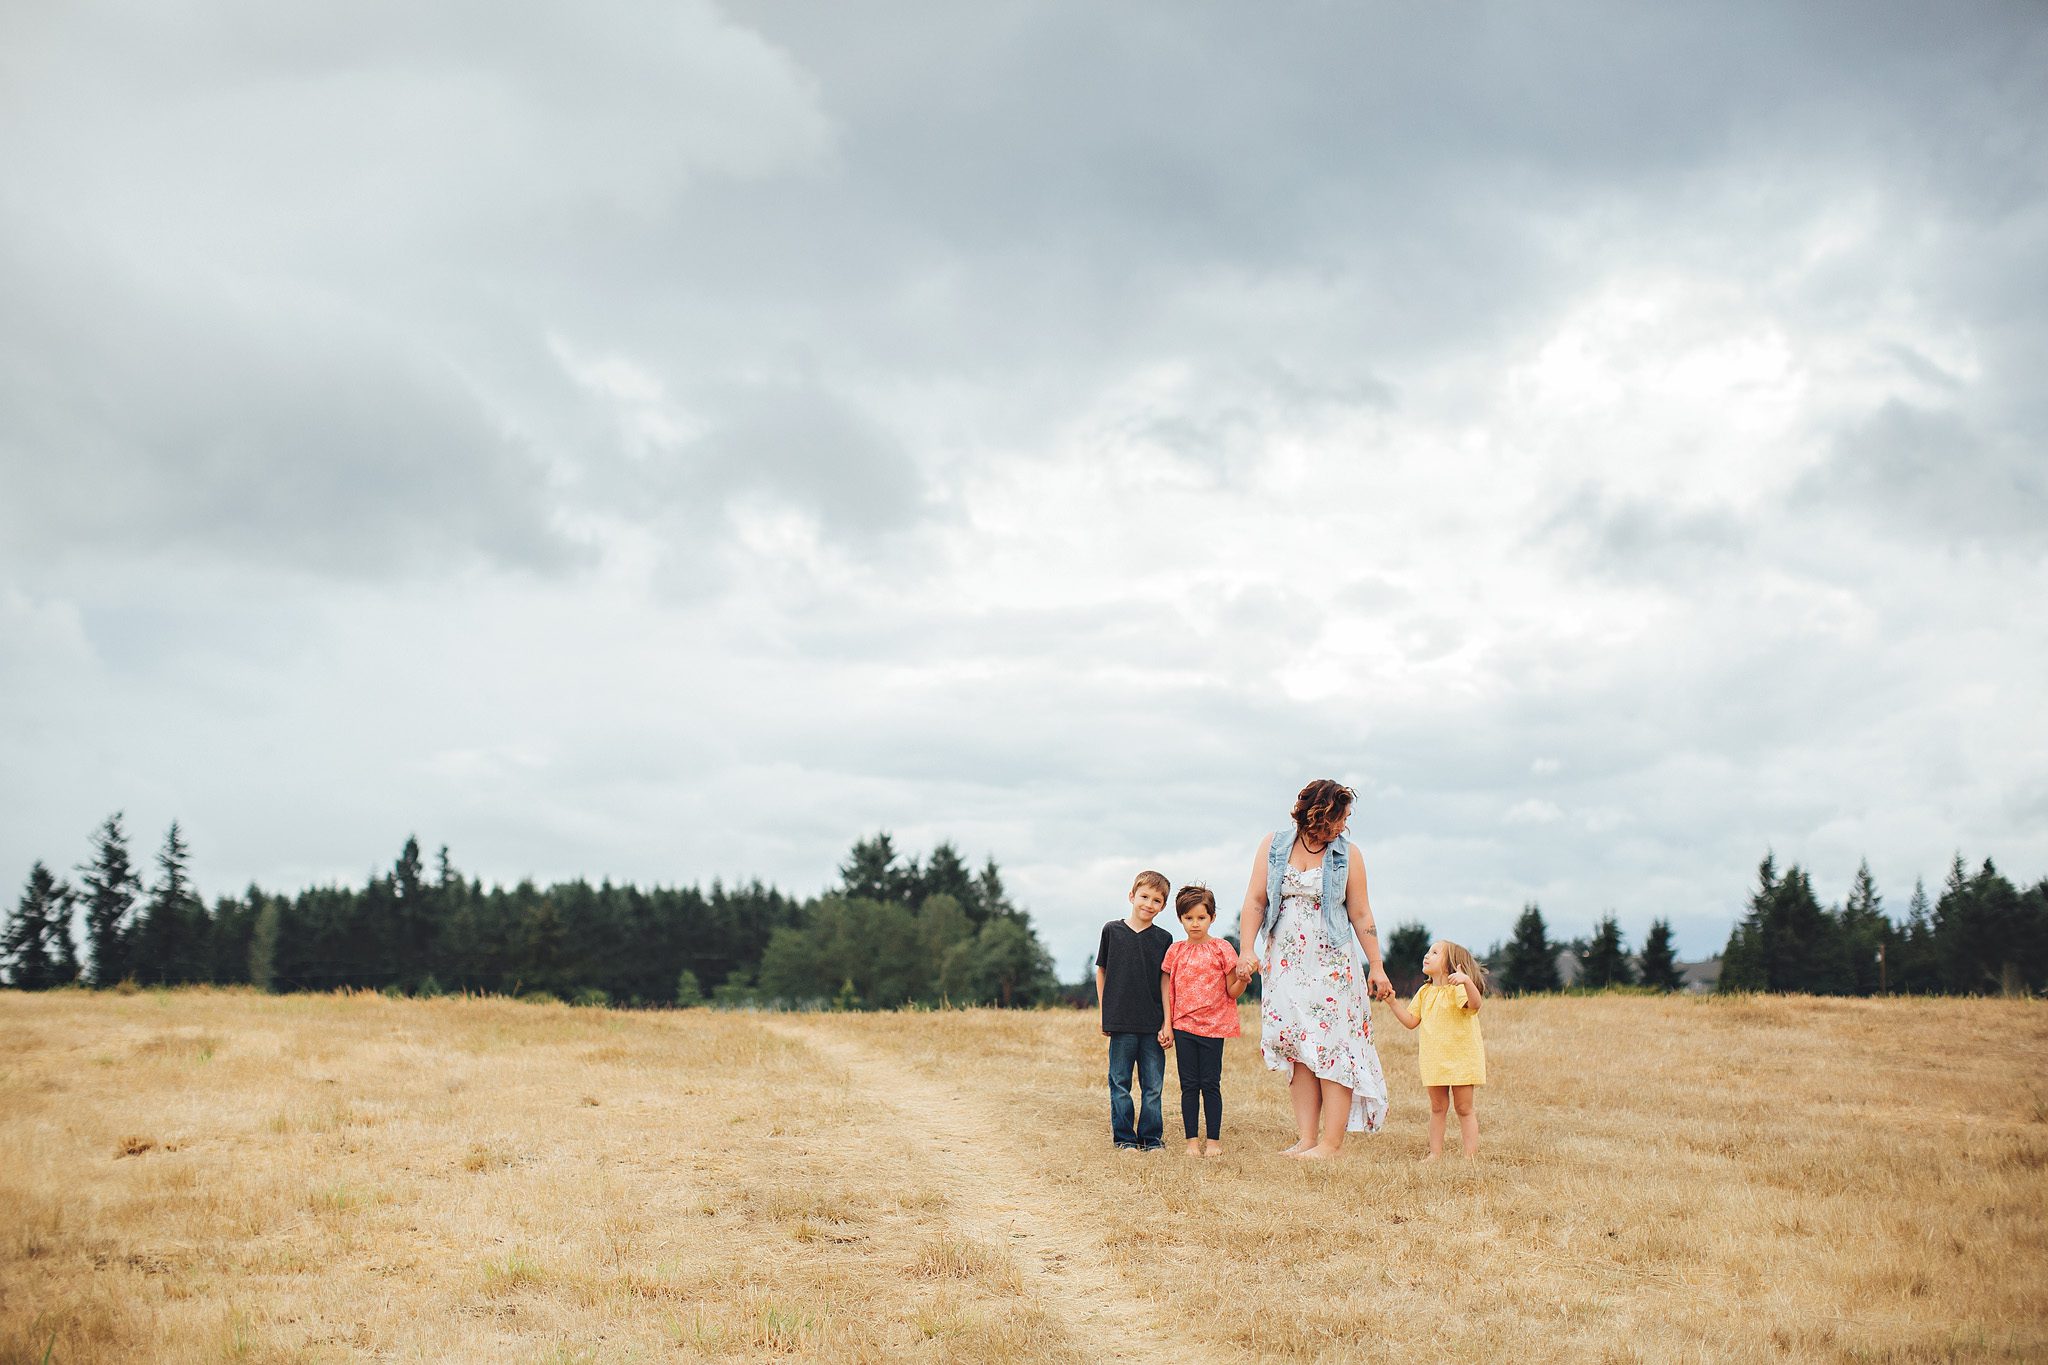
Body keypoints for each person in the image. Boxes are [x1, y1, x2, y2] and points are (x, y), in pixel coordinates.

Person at [1231, 778, 1393, 1158]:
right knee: (1296, 1045)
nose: (1345, 825)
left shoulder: (1348, 855)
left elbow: (1361, 913)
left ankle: (1331, 1144)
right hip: (1285, 964)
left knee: (1334, 1046)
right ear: (1321, 813)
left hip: (1332, 964)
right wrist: (1246, 949)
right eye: (1341, 817)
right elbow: (1255, 901)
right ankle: (1307, 1138)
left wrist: (1377, 966)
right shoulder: (1273, 845)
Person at [1161, 884, 1245, 1157]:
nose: (1195, 923)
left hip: (1214, 1027)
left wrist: (1243, 980)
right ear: (1180, 918)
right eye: (1189, 918)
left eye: (1201, 917)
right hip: (1183, 1026)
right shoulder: (1175, 951)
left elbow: (1233, 991)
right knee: (1188, 1085)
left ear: (1212, 917)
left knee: (1210, 1084)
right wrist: (1167, 1024)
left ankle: (1213, 1143)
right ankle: (1191, 1143)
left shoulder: (1222, 949)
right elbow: (1167, 988)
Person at [1385, 939, 1487, 1160]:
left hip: (1461, 1059)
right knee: (1437, 1107)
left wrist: (1466, 982)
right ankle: (1435, 1153)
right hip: (1434, 1059)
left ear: (1451, 964)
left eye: (1435, 953)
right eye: (1428, 951)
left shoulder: (1458, 989)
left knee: (1464, 1107)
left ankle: (1470, 1157)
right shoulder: (1425, 992)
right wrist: (1393, 1002)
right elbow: (1411, 1021)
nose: (1427, 955)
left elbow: (1475, 1004)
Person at [1097, 870, 1174, 1151]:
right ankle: (1125, 1139)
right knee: (1120, 1083)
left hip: (1152, 1024)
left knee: (1153, 1086)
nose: (1149, 904)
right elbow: (1102, 971)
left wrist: (1167, 1023)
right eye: (1144, 896)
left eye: (1156, 900)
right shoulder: (1111, 931)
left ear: (1163, 906)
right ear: (1132, 896)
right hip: (1121, 1022)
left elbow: (1165, 982)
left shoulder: (1164, 939)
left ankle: (1151, 1139)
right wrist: (1105, 1013)